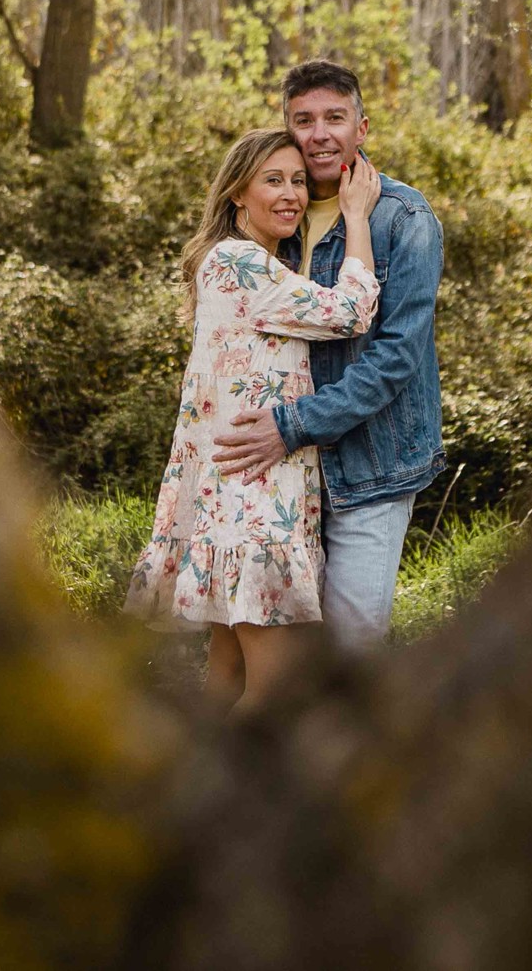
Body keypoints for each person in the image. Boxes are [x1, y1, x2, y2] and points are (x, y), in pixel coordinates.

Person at [122, 127, 383, 713]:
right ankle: (221, 805)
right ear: (238, 193)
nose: (290, 193)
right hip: (254, 508)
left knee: (227, 678)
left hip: (237, 501)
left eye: (297, 180)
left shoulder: (248, 265)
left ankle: (186, 795)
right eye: (273, 180)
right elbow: (349, 313)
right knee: (272, 693)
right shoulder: (239, 263)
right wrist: (357, 216)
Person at [213, 61, 445, 651]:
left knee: (351, 648)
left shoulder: (404, 218)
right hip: (287, 478)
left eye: (334, 118)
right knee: (285, 654)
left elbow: (396, 359)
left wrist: (292, 425)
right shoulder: (276, 215)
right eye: (304, 120)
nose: (319, 134)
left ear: (361, 127)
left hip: (371, 466)